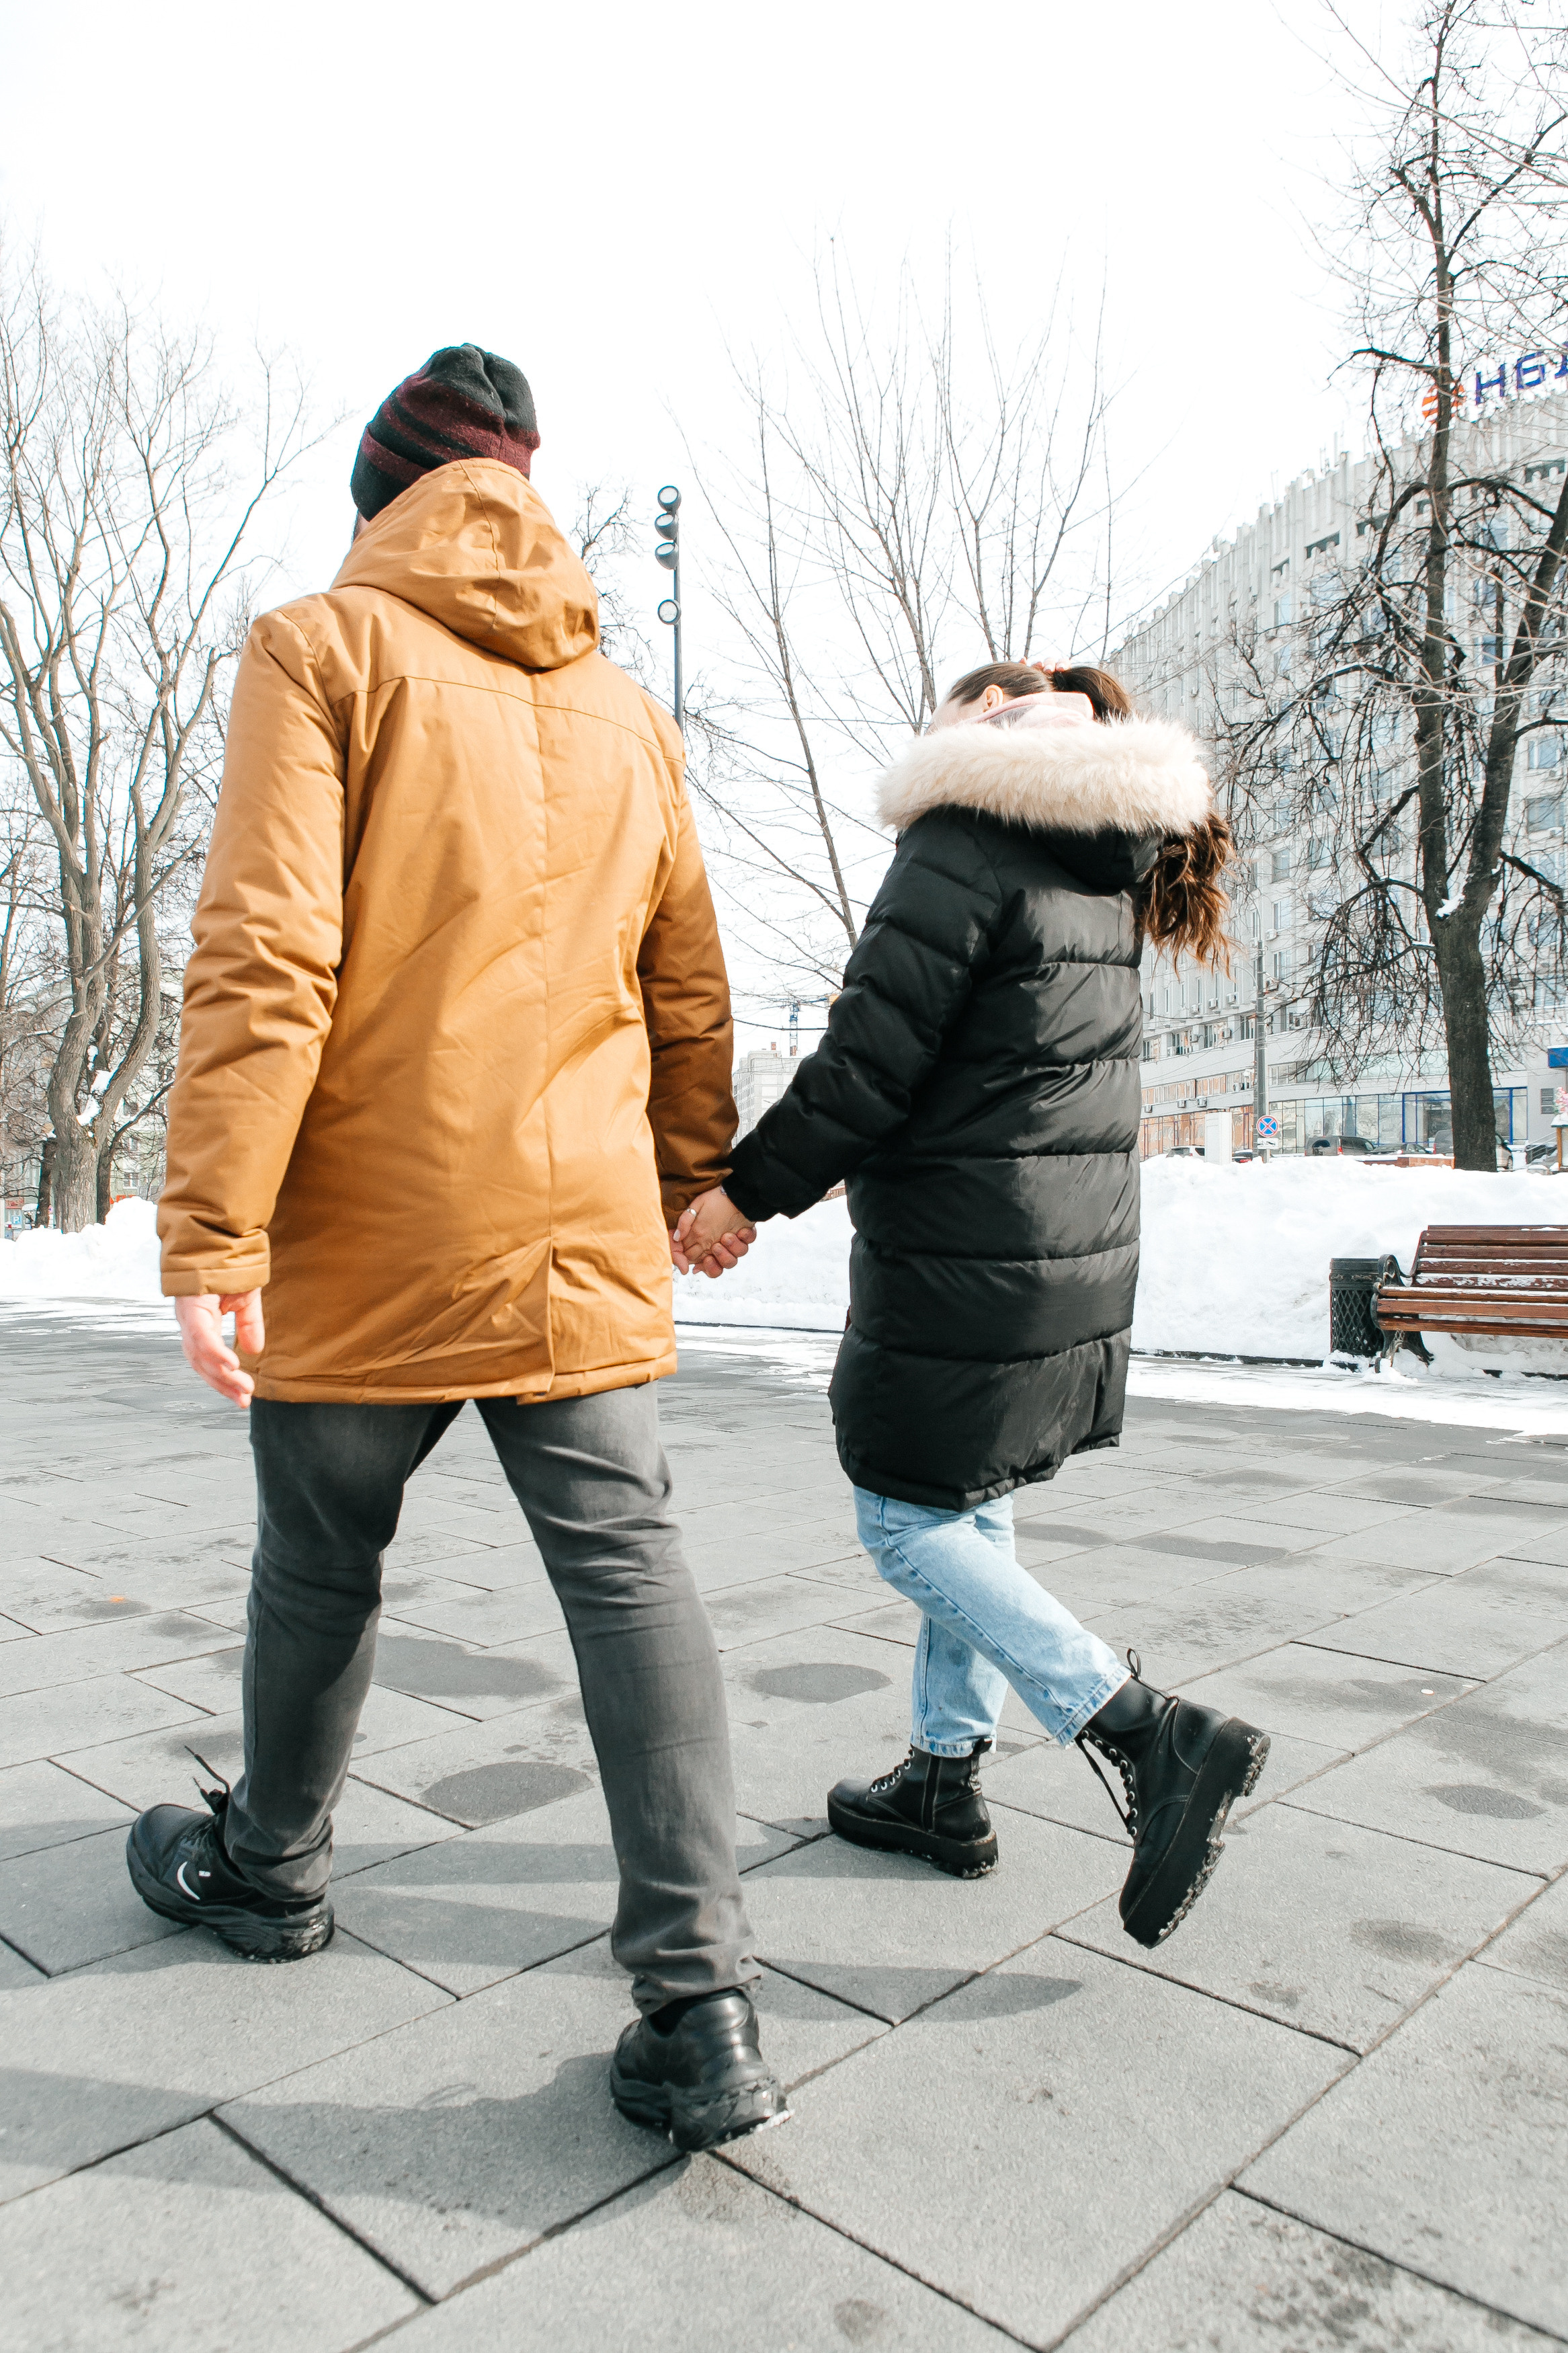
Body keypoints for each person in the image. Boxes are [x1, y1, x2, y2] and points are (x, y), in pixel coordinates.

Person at [128, 344, 784, 2155]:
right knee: (628, 1575)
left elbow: (270, 951)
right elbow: (687, 976)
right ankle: (700, 2000)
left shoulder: (318, 649)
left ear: (379, 495)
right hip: (570, 1226)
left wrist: (214, 1225)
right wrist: (686, 1168)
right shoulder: (627, 709)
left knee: (317, 1560)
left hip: (367, 1221)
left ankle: (268, 1869)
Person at [675, 659, 1270, 1950]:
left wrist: (743, 1197)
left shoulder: (965, 835)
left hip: (967, 1252)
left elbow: (868, 1062)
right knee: (964, 1508)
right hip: (1061, 1253)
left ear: (975, 730)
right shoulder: (1101, 850)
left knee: (903, 1522)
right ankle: (942, 1788)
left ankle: (1143, 1730)